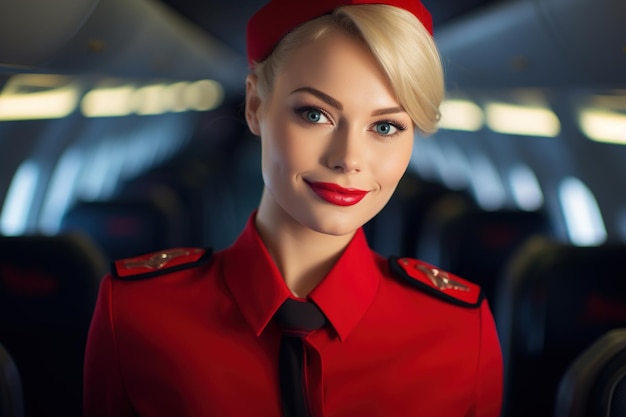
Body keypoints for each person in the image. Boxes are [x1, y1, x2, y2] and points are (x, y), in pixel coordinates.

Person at [83, 0, 503, 416]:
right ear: (255, 106)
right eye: (316, 114)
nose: (348, 158)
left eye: (386, 126)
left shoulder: (461, 333)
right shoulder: (137, 314)